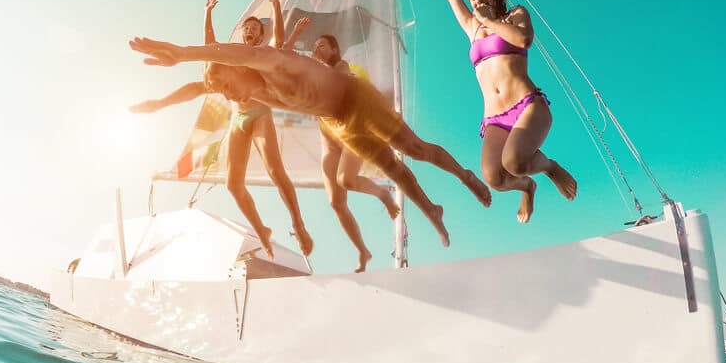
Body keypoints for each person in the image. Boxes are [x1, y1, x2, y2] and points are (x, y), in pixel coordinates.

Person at [129, 35, 492, 247]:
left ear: (238, 70)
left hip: (356, 98)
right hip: (336, 119)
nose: (226, 95)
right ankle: (432, 210)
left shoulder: (273, 62)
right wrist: (160, 104)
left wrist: (183, 52)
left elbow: (242, 53)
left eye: (226, 84)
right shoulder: (247, 94)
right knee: (392, 169)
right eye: (221, 90)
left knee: (415, 150)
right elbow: (197, 87)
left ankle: (464, 175)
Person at [129, 0, 313, 259]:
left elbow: (278, 42)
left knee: (276, 171)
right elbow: (203, 68)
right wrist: (159, 103)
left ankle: (298, 224)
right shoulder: (228, 62)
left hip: (259, 114)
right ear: (242, 34)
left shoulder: (261, 56)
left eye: (255, 30)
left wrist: (276, 4)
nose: (251, 32)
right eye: (247, 29)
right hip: (239, 121)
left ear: (260, 36)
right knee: (233, 185)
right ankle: (261, 230)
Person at [427, 0, 577, 223]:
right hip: (495, 118)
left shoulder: (515, 15)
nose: (476, 0)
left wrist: (492, 23)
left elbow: (524, 40)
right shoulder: (471, 26)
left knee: (515, 163)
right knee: (494, 177)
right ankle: (527, 187)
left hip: (527, 105)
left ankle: (549, 167)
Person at [284, 19, 398, 271]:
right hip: (329, 141)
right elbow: (284, 58)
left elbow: (334, 84)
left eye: (322, 45)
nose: (317, 49)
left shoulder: (342, 66)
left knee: (346, 179)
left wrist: (313, 64)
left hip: (352, 134)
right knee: (336, 202)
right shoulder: (313, 69)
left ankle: (383, 193)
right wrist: (296, 37)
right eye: (315, 45)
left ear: (334, 50)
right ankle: (363, 251)